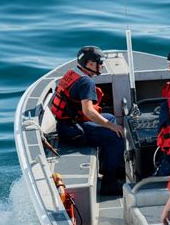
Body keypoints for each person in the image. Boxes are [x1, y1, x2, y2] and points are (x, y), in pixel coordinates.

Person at [51, 45, 125, 195]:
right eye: (100, 62)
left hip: (66, 125)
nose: (102, 66)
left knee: (110, 117)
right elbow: (88, 112)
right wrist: (111, 127)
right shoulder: (86, 82)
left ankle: (108, 164)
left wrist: (109, 123)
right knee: (116, 137)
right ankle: (109, 182)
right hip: (73, 131)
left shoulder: (73, 73)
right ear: (90, 64)